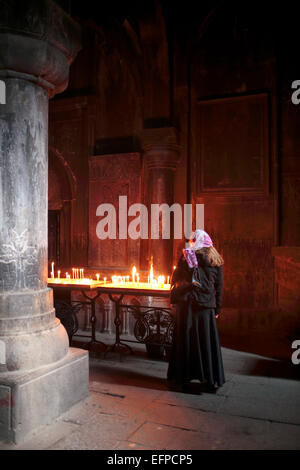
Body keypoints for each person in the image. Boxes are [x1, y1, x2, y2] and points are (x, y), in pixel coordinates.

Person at [167, 229, 225, 392]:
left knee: (186, 341)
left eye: (192, 240)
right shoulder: (216, 258)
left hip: (189, 306)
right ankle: (210, 380)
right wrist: (217, 308)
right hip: (206, 308)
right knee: (206, 342)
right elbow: (219, 287)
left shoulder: (188, 256)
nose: (191, 243)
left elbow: (177, 279)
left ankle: (182, 379)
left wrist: (174, 298)